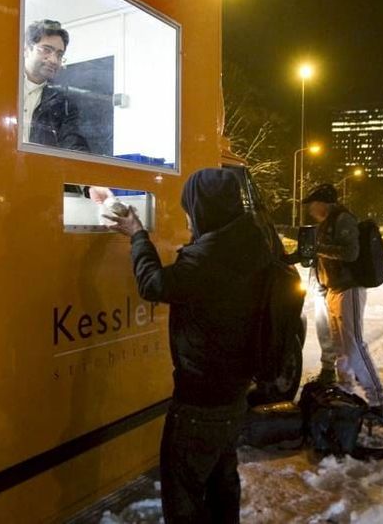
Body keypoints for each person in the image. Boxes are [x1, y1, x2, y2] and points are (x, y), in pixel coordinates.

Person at [104, 168, 269, 524]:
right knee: (223, 481)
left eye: (190, 210)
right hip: (233, 392)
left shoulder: (208, 257)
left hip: (199, 399)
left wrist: (137, 235)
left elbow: (154, 284)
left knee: (184, 492)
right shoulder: (252, 244)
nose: (188, 218)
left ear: (204, 209)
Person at [297, 183, 383, 415]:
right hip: (333, 290)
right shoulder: (325, 223)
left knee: (354, 344)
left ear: (323, 203)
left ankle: (378, 399)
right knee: (340, 346)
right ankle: (345, 388)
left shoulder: (343, 219)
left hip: (349, 289)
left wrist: (318, 248)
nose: (309, 210)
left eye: (312, 204)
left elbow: (350, 253)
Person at [21, 19, 89, 150]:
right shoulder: (2, 87)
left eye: (59, 54)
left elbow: (74, 145)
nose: (54, 60)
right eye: (46, 50)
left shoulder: (64, 104)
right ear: (26, 50)